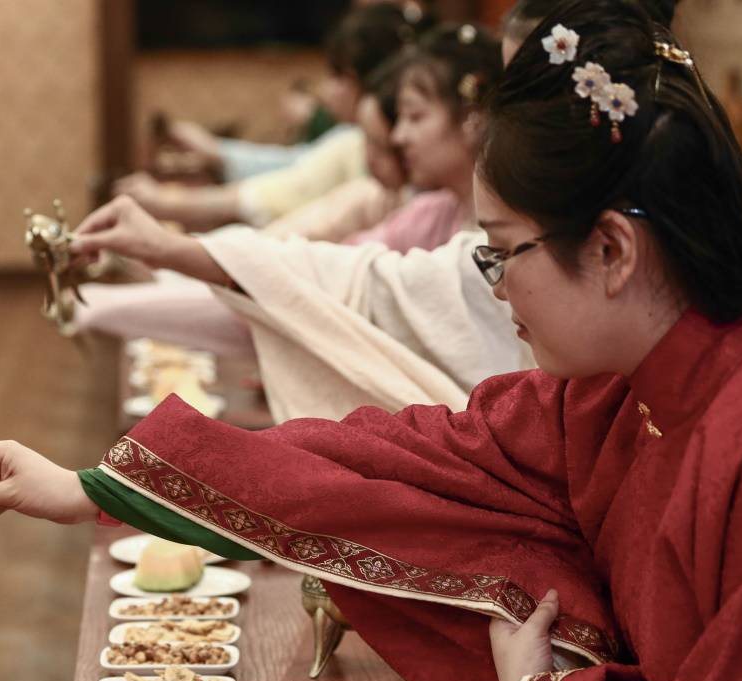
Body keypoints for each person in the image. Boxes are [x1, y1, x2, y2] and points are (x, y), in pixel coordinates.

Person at [0, 0, 742, 681]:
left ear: (612, 248)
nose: (497, 289)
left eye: (502, 254)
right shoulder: (615, 393)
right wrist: (94, 488)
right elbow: (394, 461)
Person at [74, 25, 525, 421]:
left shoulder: (487, 231)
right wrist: (179, 257)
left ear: (474, 117)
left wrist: (171, 260)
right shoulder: (433, 211)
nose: (398, 137)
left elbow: (337, 281)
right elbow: (339, 274)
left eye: (414, 116)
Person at [115, 3, 427, 232]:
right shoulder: (355, 156)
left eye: (338, 76)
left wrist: (170, 207)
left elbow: (287, 193)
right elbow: (293, 172)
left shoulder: (355, 149)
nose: (326, 90)